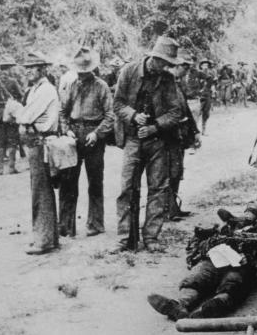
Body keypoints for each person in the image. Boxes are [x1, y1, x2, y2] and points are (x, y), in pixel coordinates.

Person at [114, 36, 182, 252]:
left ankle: (151, 237)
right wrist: (133, 116)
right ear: (153, 57)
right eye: (162, 62)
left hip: (157, 142)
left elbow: (176, 111)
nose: (165, 67)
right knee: (127, 188)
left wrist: (155, 126)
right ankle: (126, 238)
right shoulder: (128, 72)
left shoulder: (168, 81)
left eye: (168, 64)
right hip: (133, 140)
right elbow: (117, 104)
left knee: (158, 189)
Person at [147, 226, 257, 320]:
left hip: (244, 263)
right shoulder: (223, 230)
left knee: (234, 280)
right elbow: (196, 246)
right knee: (200, 275)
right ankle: (178, 305)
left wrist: (251, 257)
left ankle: (213, 306)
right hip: (216, 257)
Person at [58, 47, 114, 237]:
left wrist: (97, 133)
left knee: (95, 182)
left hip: (93, 136)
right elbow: (63, 113)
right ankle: (66, 226)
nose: (82, 75)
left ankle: (95, 224)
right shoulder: (72, 85)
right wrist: (67, 130)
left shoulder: (102, 87)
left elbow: (110, 115)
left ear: (92, 69)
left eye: (85, 71)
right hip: (74, 135)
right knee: (68, 182)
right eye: (79, 72)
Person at [16, 53, 59, 255]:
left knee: (41, 191)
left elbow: (26, 116)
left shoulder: (46, 90)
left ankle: (44, 240)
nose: (28, 71)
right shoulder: (34, 89)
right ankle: (47, 237)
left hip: (41, 142)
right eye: (27, 68)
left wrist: (16, 111)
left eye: (32, 68)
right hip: (34, 142)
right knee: (40, 190)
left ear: (42, 69)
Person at [167, 49, 201, 220]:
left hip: (180, 134)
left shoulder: (178, 84)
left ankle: (173, 207)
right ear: (177, 65)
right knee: (170, 171)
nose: (187, 71)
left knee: (177, 171)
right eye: (185, 68)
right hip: (169, 135)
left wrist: (195, 131)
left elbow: (185, 109)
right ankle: (169, 209)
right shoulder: (165, 84)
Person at [0, 56, 23, 175]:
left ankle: (0, 169)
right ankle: (11, 168)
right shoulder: (13, 81)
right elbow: (21, 96)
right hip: (10, 113)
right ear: (10, 68)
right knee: (12, 141)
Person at [197, 59, 215, 136]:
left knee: (206, 113)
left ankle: (204, 130)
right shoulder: (197, 73)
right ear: (201, 66)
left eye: (207, 65)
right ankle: (195, 131)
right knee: (197, 113)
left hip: (208, 94)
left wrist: (214, 91)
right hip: (199, 95)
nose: (205, 66)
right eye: (204, 65)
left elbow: (213, 84)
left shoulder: (211, 73)